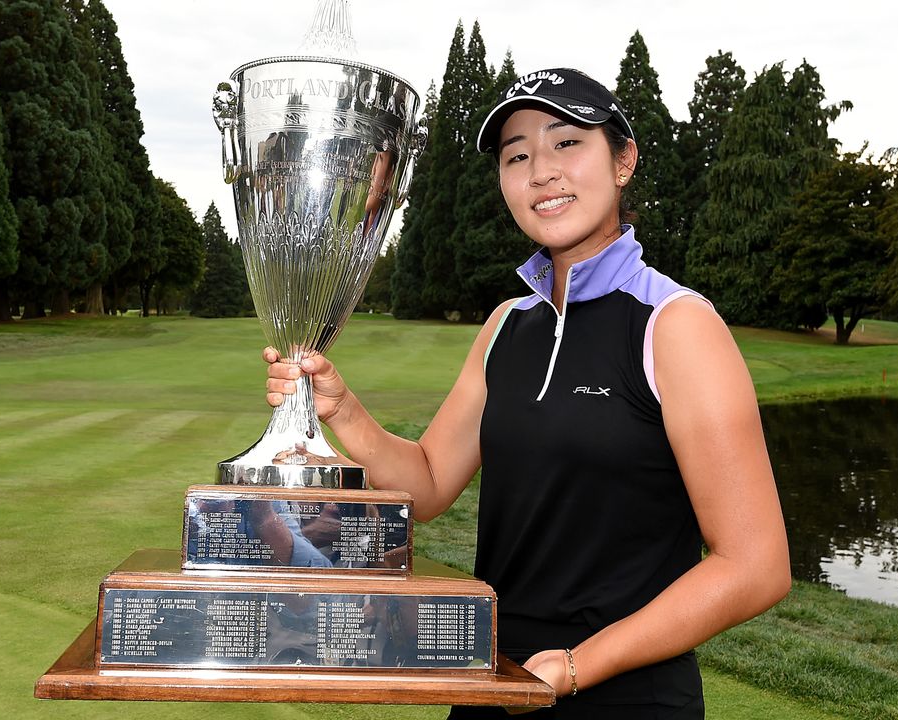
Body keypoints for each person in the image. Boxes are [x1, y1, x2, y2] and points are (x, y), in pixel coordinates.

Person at [264, 68, 790, 718]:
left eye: (566, 143)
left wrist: (576, 666)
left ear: (623, 160)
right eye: (517, 155)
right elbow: (427, 483)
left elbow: (755, 565)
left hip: (624, 697)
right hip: (494, 684)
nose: (541, 171)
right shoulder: (506, 325)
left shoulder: (675, 325)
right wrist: (342, 409)